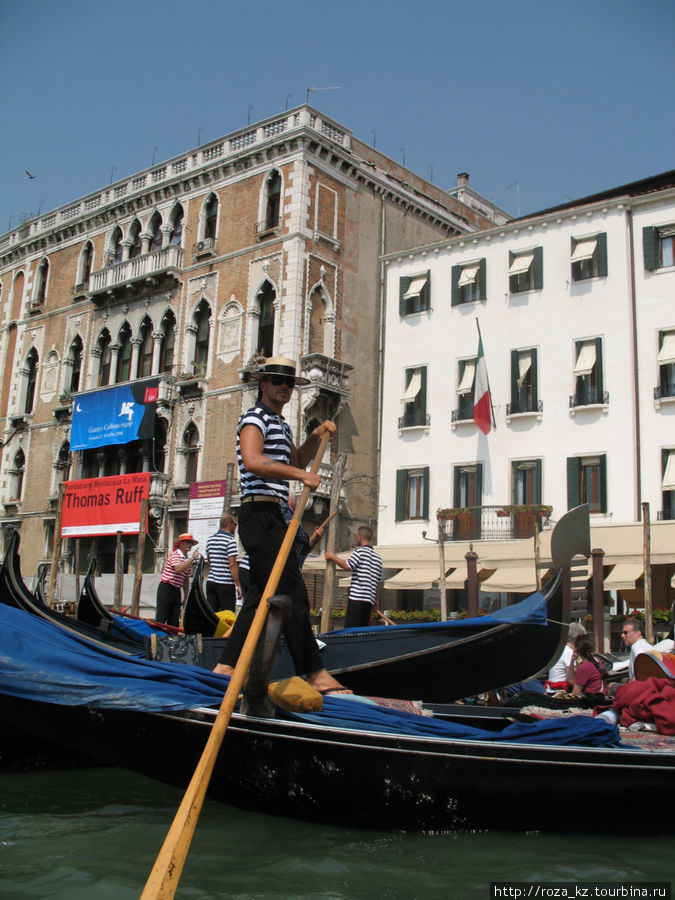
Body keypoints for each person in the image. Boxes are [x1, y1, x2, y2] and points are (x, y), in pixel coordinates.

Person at [213, 356, 349, 694]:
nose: (284, 387)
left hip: (274, 516)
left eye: (288, 383)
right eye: (277, 381)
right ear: (264, 384)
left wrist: (316, 437)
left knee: (258, 599)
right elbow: (255, 461)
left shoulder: (281, 423)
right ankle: (314, 672)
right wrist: (301, 475)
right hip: (260, 514)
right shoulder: (254, 417)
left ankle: (225, 667)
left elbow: (294, 460)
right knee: (293, 592)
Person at [325, 525, 383, 629]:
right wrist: (376, 600)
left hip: (357, 599)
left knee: (350, 630)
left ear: (360, 537)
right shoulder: (378, 558)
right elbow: (378, 583)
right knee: (362, 631)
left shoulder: (359, 551)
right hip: (369, 601)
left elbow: (347, 565)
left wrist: (332, 557)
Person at [155, 533, 200, 627]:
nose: (190, 545)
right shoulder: (175, 555)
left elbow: (186, 579)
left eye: (191, 543)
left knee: (174, 621)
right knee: (161, 618)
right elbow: (178, 569)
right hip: (166, 588)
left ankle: (172, 640)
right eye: (188, 542)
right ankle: (156, 638)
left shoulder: (186, 559)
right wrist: (192, 559)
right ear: (181, 544)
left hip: (176, 591)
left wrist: (186, 595)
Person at [205, 514, 241, 613]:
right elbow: (232, 565)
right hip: (225, 584)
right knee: (228, 614)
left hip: (211, 582)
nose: (235, 527)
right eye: (235, 524)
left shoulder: (210, 539)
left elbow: (209, 559)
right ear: (230, 524)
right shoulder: (230, 541)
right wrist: (238, 585)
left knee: (213, 614)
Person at [545, 622, 587, 693]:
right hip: (560, 691)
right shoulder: (569, 652)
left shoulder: (561, 649)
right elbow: (572, 680)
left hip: (553, 690)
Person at [567, 633, 608, 705]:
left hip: (592, 699)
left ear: (576, 650)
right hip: (600, 696)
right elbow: (573, 681)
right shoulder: (596, 660)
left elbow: (575, 692)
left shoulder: (585, 666)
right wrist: (573, 661)